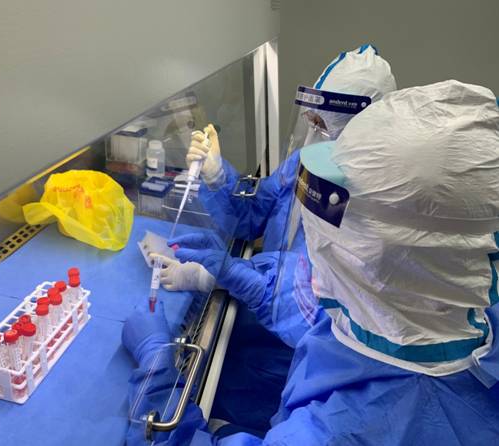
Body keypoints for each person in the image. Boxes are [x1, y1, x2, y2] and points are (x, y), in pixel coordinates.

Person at [123, 80, 499, 445]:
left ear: (376, 256)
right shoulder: (442, 312)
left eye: (333, 239)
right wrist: (221, 193)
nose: (320, 252)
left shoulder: (340, 431)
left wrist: (157, 368)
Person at [156, 44, 397, 347]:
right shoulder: (306, 160)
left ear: (359, 129)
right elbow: (255, 214)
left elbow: (320, 315)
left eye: (322, 123)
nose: (312, 129)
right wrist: (217, 176)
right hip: (260, 318)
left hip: (301, 351)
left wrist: (222, 277)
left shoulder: (372, 203)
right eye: (311, 117)